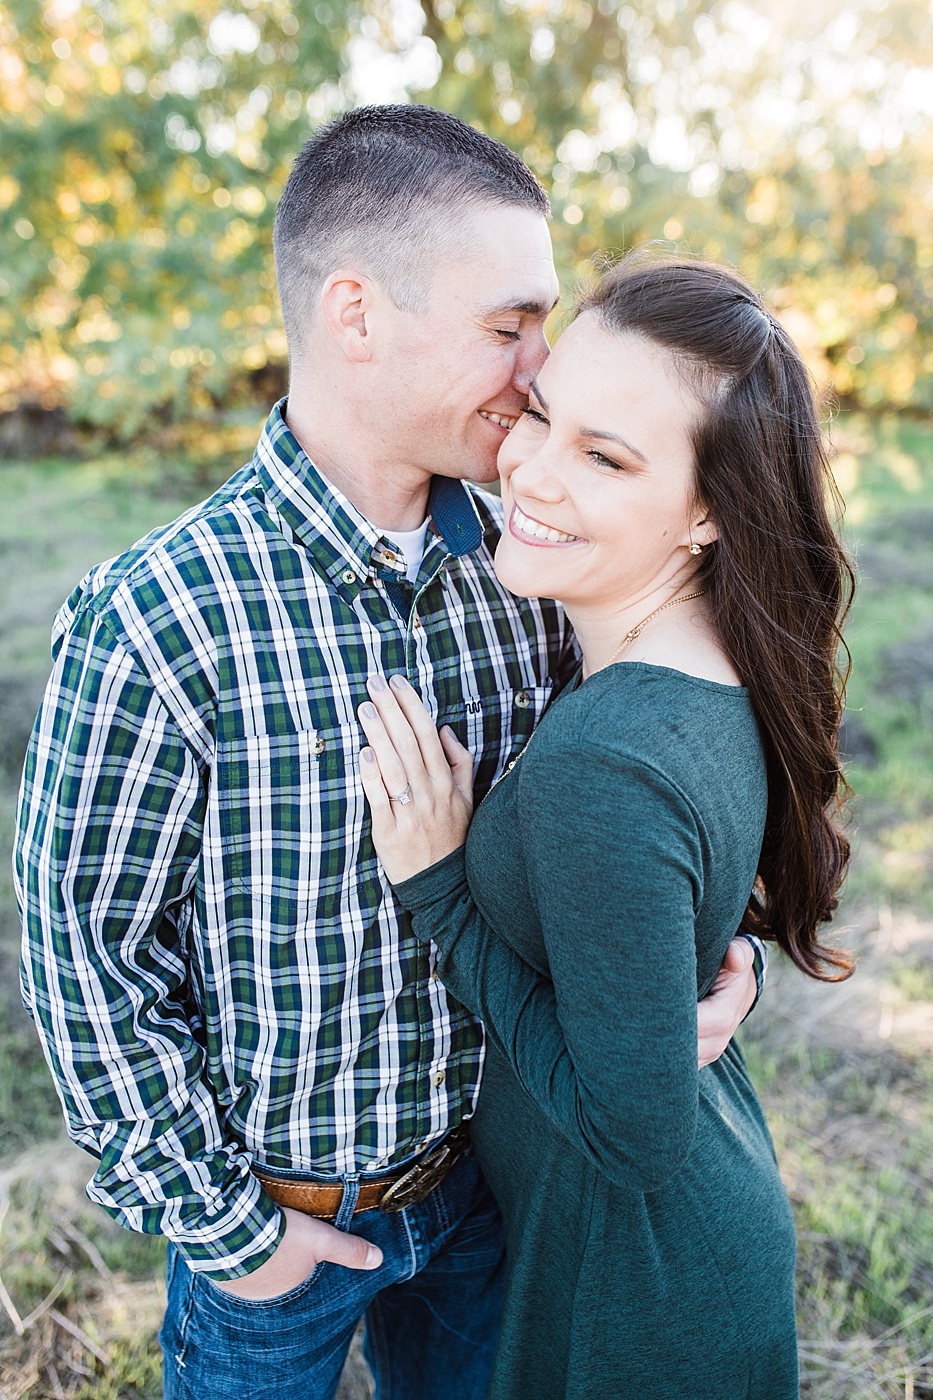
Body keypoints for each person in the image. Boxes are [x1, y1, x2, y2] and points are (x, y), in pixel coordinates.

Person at [15, 110, 762, 1400]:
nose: (540, 371)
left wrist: (709, 946)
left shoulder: (528, 571)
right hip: (280, 1229)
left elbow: (632, 782)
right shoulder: (159, 620)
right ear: (355, 310)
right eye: (508, 326)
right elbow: (82, 954)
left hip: (487, 1195)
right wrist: (237, 1236)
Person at [356, 255, 855, 1399]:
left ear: (708, 514)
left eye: (606, 456)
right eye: (542, 414)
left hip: (635, 1292)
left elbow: (632, 1134)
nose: (529, 469)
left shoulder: (607, 757)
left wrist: (438, 884)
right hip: (671, 1252)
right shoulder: (711, 666)